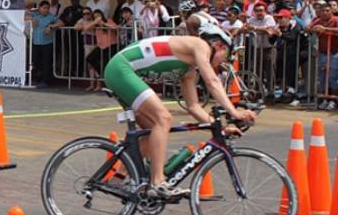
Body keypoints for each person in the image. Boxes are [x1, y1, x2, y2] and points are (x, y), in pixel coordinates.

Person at [103, 26, 257, 197]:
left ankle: (118, 179)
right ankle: (158, 182)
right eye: (226, 56)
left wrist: (219, 128)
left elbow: (193, 107)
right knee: (164, 119)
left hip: (122, 72)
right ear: (219, 45)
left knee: (152, 131)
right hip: (121, 69)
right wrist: (235, 113)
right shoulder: (200, 45)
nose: (223, 63)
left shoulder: (189, 69)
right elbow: (212, 81)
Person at [28, 0, 59, 87]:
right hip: (36, 43)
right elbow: (23, 15)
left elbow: (61, 23)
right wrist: (31, 19)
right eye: (44, 8)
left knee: (46, 63)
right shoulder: (35, 15)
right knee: (35, 62)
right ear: (40, 8)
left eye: (47, 8)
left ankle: (44, 81)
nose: (46, 10)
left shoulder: (51, 17)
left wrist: (51, 26)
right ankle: (37, 79)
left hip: (47, 43)